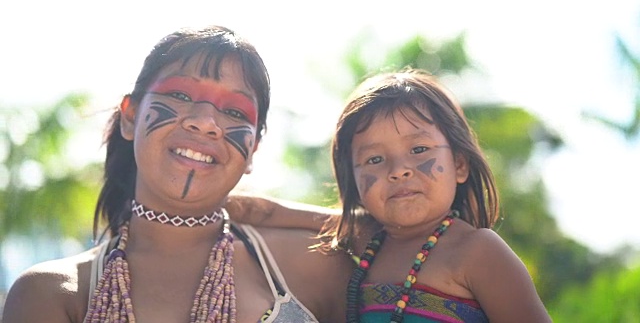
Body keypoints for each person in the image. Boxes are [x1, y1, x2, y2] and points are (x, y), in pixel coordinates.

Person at [2, 25, 352, 323]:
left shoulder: (315, 269)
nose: (204, 122)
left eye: (233, 110)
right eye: (181, 94)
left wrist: (282, 213)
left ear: (254, 149)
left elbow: (400, 233)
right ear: (130, 116)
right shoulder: (51, 294)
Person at [233, 69, 553, 322]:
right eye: (374, 159)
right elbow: (269, 213)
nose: (399, 170)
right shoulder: (364, 236)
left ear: (459, 164)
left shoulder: (480, 252)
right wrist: (195, 204)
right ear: (353, 181)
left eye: (418, 149)